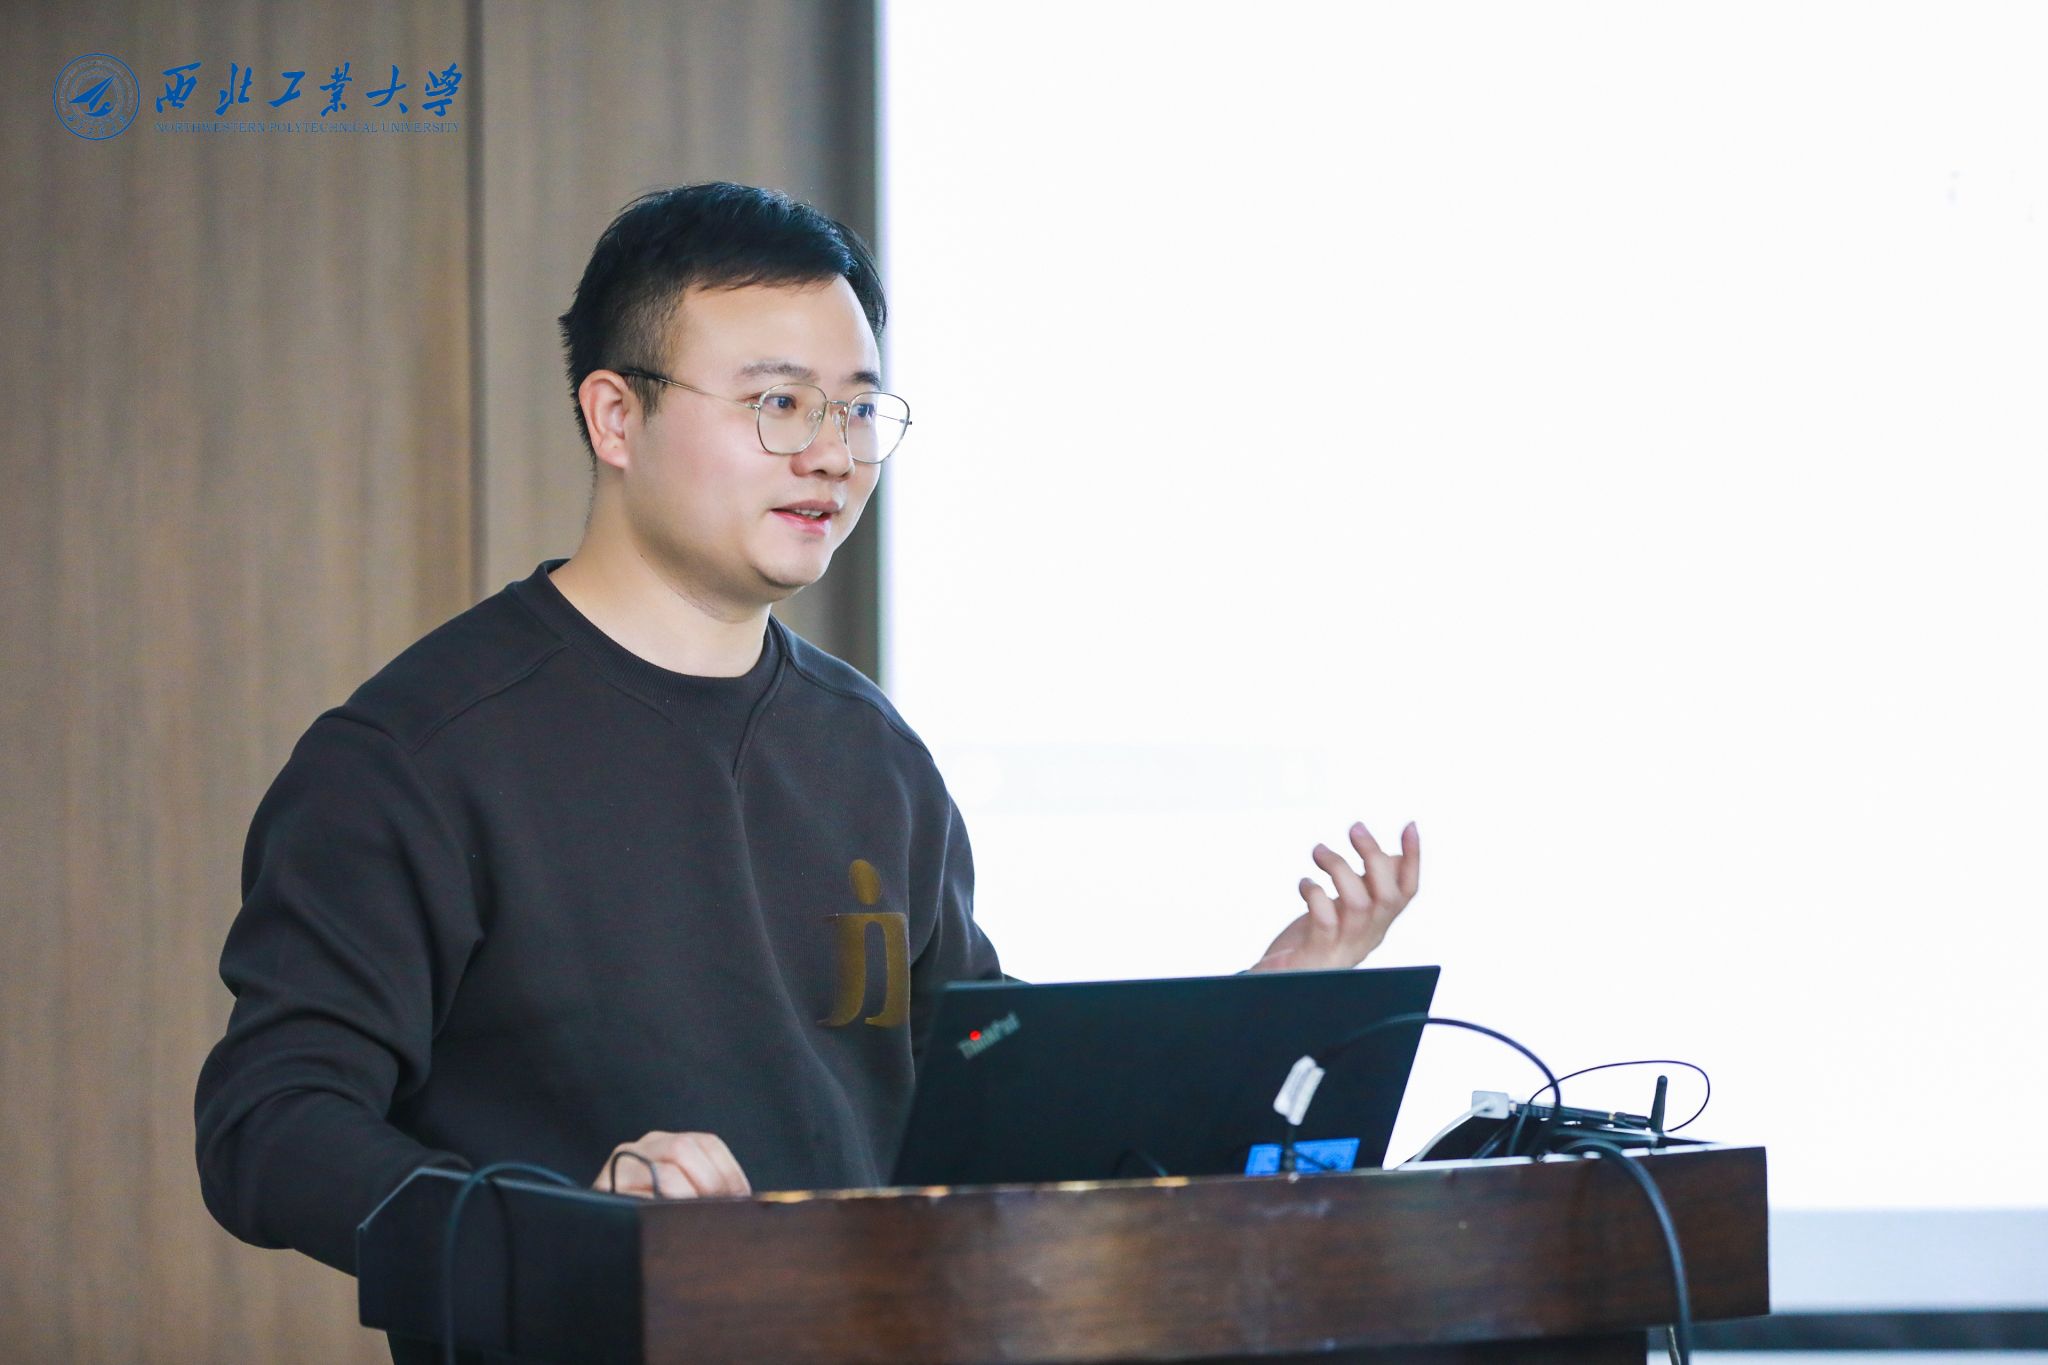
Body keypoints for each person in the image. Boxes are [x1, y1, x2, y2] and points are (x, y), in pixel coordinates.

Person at [194, 181, 1421, 1337]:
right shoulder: (417, 754)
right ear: (615, 416)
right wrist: (568, 1223)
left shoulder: (872, 753)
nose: (832, 454)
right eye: (778, 404)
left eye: (857, 408)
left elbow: (988, 1103)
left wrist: (1261, 1014)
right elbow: (270, 1127)